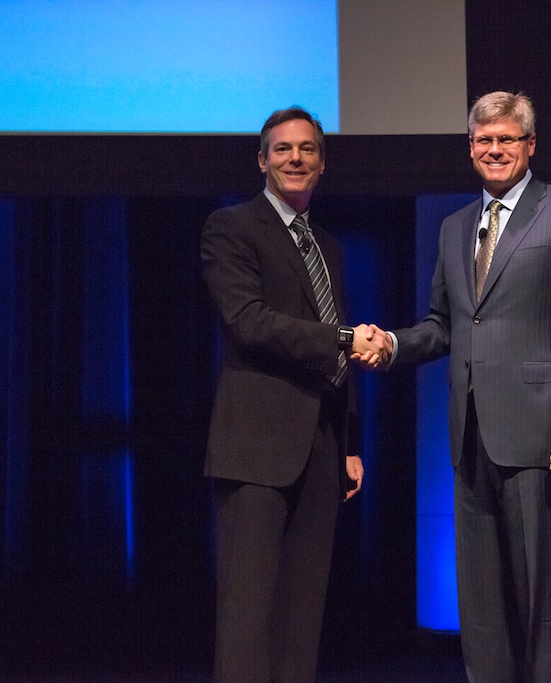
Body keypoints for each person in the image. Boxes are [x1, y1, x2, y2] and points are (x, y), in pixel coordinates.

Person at [365, 91, 551, 682]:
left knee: (540, 601)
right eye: (484, 140)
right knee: (480, 606)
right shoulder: (455, 227)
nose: (495, 149)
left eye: (507, 139)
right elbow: (444, 324)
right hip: (470, 436)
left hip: (543, 439)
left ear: (530, 144)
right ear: (470, 148)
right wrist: (394, 344)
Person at [201, 106, 389, 683]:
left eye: (307, 149)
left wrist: (349, 442)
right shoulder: (231, 227)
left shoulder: (327, 245)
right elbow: (249, 322)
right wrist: (344, 338)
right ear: (262, 161)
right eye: (282, 149)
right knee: (248, 616)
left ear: (322, 163)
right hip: (255, 450)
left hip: (321, 449)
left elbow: (335, 343)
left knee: (301, 618)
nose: (295, 159)